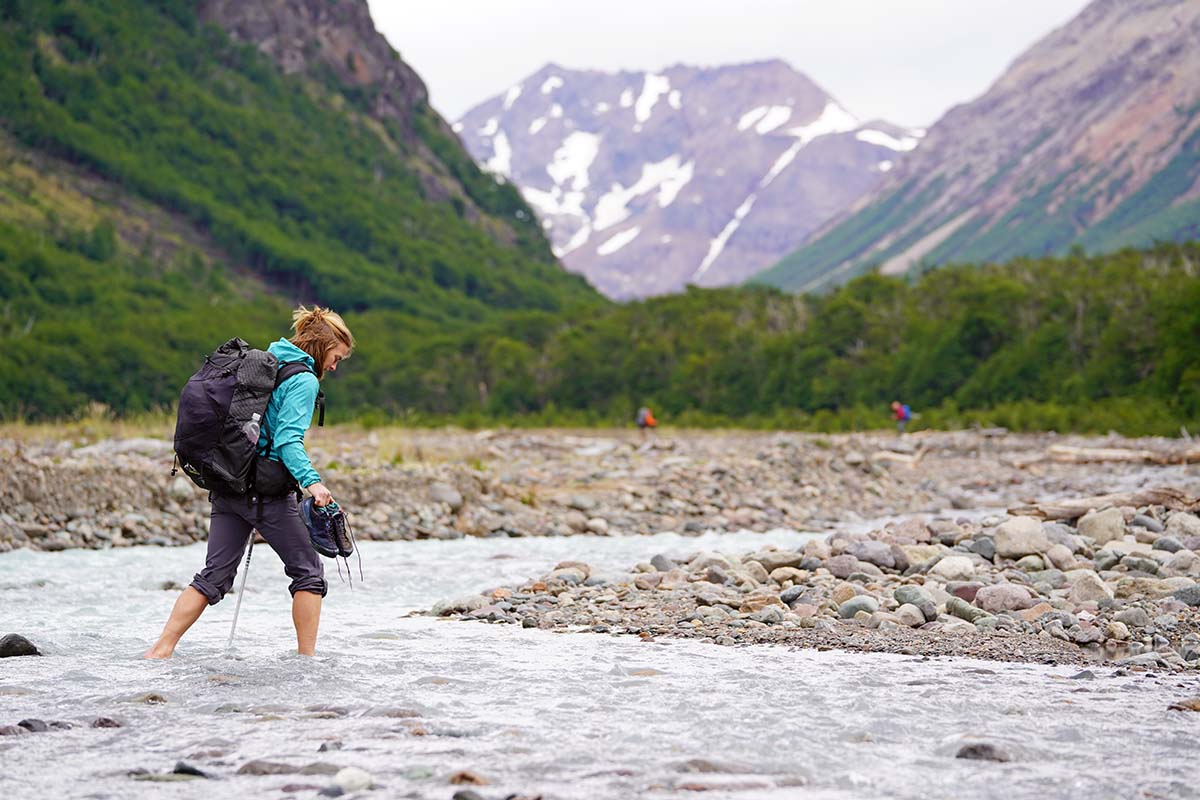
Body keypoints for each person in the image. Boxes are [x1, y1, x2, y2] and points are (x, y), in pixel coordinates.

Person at [144, 306, 355, 659]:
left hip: (229, 483)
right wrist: (313, 483)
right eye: (336, 357)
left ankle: (161, 650)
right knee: (309, 574)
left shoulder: (268, 360)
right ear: (322, 348)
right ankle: (307, 662)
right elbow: (288, 441)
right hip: (267, 493)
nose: (334, 366)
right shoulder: (303, 380)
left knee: (212, 576)